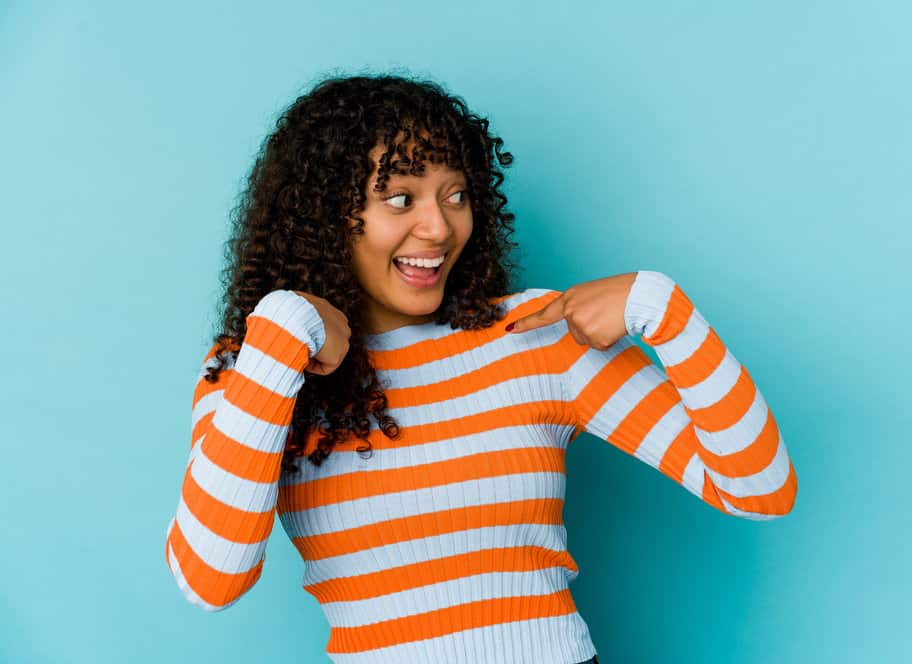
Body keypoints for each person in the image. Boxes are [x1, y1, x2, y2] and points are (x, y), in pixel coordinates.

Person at [164, 71, 798, 664]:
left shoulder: (536, 336)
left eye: (455, 194)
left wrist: (668, 313)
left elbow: (759, 490)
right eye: (400, 197)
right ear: (325, 218)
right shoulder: (256, 371)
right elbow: (210, 578)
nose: (438, 226)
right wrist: (283, 331)